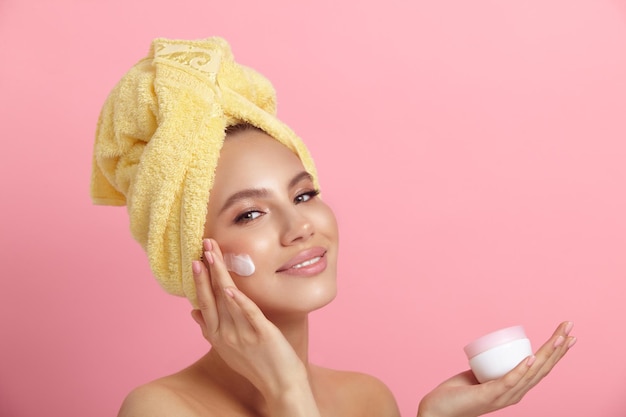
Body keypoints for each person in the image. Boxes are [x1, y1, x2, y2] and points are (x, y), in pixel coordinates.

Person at [91, 37, 576, 417]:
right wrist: (287, 393)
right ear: (190, 256)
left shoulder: (367, 400)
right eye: (250, 213)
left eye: (303, 195)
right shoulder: (160, 410)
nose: (300, 225)